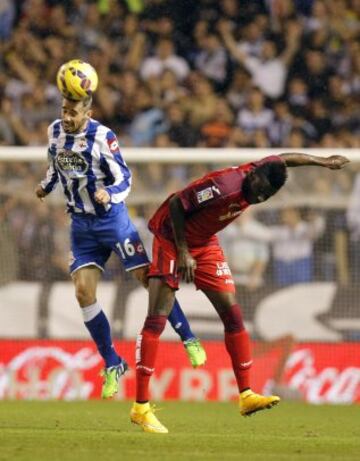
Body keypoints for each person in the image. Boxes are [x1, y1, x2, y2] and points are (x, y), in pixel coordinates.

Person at [130, 152, 349, 433]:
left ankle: (246, 396)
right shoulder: (224, 186)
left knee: (232, 314)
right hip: (172, 238)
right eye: (259, 192)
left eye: (265, 198)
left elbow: (285, 158)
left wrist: (322, 162)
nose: (258, 200)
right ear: (253, 177)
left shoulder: (261, 174)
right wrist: (183, 251)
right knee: (157, 319)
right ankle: (141, 407)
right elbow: (175, 202)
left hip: (205, 242)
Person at [35, 96, 206, 399]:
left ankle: (188, 336)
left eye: (73, 112)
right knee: (83, 292)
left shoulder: (103, 136)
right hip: (81, 227)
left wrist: (109, 194)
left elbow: (125, 178)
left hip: (112, 221)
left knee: (148, 280)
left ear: (88, 113)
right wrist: (46, 186)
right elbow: (55, 165)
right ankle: (112, 362)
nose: (66, 117)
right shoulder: (55, 131)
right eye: (63, 110)